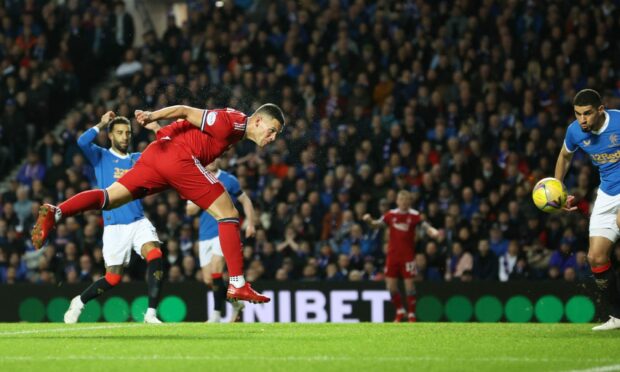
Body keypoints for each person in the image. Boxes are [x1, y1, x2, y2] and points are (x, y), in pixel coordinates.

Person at [32, 103, 285, 303]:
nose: (272, 137)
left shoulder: (237, 129)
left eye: (276, 134)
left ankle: (57, 212)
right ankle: (238, 283)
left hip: (158, 154)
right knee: (228, 214)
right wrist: (154, 115)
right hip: (179, 158)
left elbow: (183, 125)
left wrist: (158, 126)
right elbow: (185, 111)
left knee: (109, 198)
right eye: (271, 130)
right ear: (258, 120)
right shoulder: (231, 122)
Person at [63, 112, 163, 323]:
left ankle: (151, 313)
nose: (125, 137)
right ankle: (79, 301)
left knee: (155, 254)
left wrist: (156, 129)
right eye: (119, 133)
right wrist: (100, 123)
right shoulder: (100, 156)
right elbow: (82, 141)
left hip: (138, 221)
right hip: (114, 226)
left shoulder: (137, 158)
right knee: (113, 278)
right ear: (110, 135)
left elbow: (162, 154)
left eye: (127, 133)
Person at [555, 89, 620, 331]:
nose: (582, 119)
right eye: (578, 114)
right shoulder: (574, 132)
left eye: (588, 114)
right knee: (596, 258)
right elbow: (564, 156)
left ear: (600, 110)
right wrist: (557, 187)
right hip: (607, 193)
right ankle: (618, 316)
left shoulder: (619, 122)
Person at [186, 159, 256, 322]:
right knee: (209, 279)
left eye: (215, 157)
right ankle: (235, 303)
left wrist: (251, 223)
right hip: (204, 234)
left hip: (223, 231)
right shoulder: (197, 180)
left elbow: (245, 201)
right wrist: (201, 195)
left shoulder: (229, 180)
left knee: (217, 268)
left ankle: (216, 315)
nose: (212, 161)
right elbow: (189, 210)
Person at [363, 190, 439, 322]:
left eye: (406, 199)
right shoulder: (390, 215)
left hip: (408, 257)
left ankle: (411, 315)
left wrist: (431, 230)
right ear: (397, 201)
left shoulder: (415, 215)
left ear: (410, 201)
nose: (404, 202)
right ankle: (400, 310)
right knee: (391, 287)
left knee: (409, 287)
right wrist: (369, 221)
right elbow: (377, 225)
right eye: (401, 199)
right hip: (392, 256)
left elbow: (424, 225)